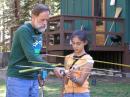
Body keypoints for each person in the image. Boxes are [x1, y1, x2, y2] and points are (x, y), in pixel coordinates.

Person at [6, 4, 58, 97]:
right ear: (33, 17)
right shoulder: (24, 31)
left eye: (47, 20)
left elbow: (36, 55)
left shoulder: (39, 33)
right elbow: (31, 56)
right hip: (18, 79)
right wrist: (52, 68)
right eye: (42, 19)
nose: (45, 23)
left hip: (33, 78)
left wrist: (40, 73)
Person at [62, 30, 94, 97]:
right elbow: (65, 82)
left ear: (85, 42)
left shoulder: (88, 59)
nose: (75, 46)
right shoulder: (67, 57)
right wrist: (63, 93)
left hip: (81, 94)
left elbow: (81, 82)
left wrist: (73, 77)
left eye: (78, 43)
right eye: (73, 43)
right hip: (67, 93)